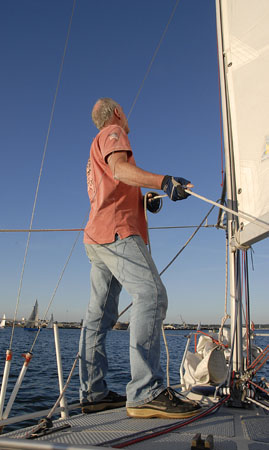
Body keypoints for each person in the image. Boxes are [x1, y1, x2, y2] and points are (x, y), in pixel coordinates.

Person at [79, 97, 200, 419]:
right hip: (118, 234)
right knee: (152, 295)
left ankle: (93, 394)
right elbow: (120, 170)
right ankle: (146, 392)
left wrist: (144, 198)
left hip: (97, 237)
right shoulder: (114, 131)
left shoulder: (95, 148)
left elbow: (112, 185)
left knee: (99, 318)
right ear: (117, 113)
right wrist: (163, 181)